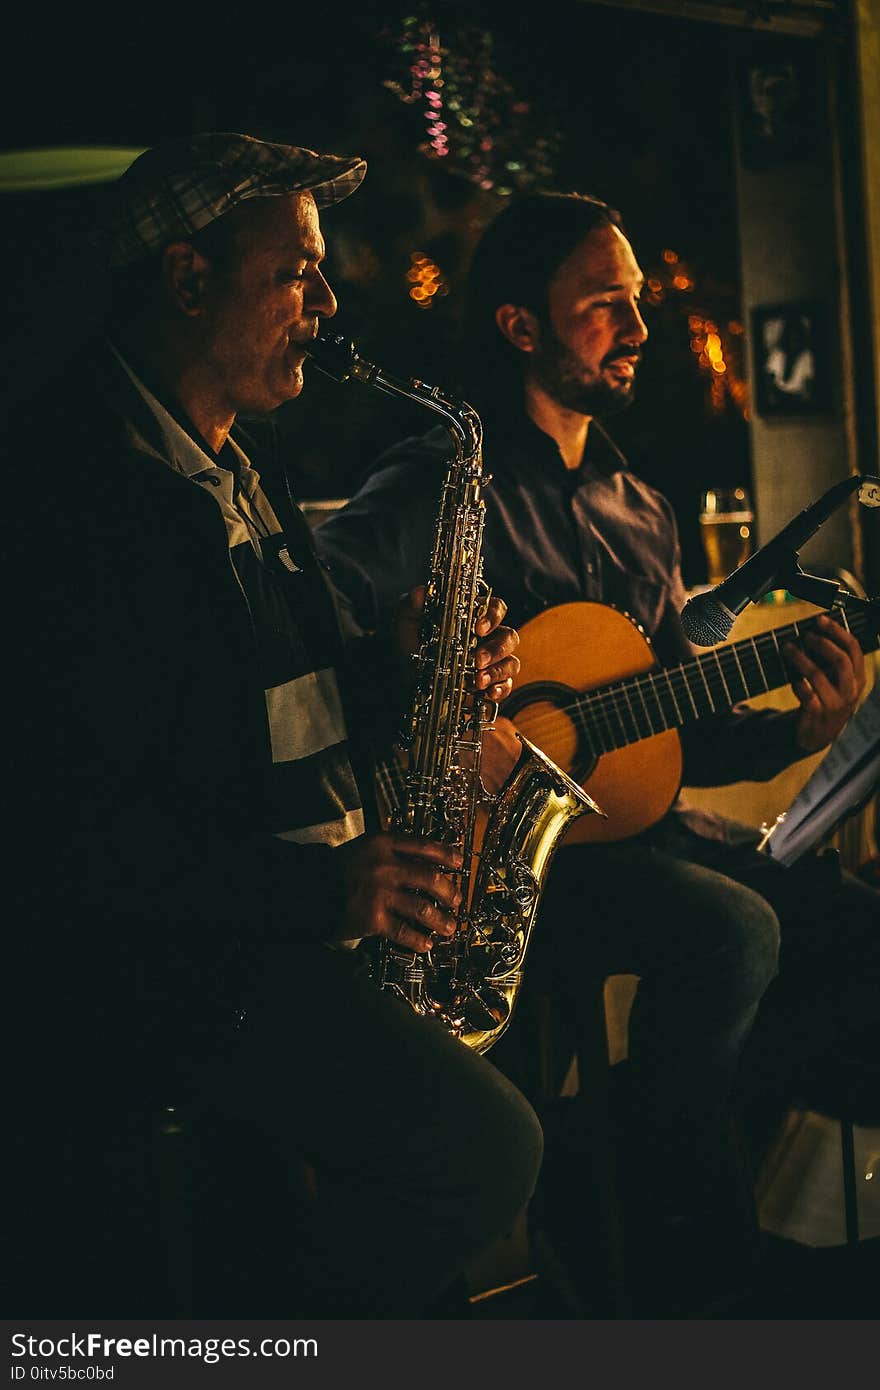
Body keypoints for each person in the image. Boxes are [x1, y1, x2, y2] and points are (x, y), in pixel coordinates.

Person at [5, 133, 545, 1319]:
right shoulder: (72, 502)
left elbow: (281, 691)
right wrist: (324, 898)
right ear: (188, 279)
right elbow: (67, 836)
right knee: (487, 1152)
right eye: (296, 272)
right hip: (185, 970)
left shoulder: (237, 469)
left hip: (286, 932)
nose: (328, 301)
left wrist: (409, 668)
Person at [313, 191, 879, 1315]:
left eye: (636, 306)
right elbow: (319, 600)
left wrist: (799, 726)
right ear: (521, 326)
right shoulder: (442, 476)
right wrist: (411, 659)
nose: (635, 329)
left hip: (629, 834)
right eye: (603, 306)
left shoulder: (640, 510)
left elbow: (667, 737)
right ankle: (685, 1241)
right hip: (496, 868)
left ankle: (629, 1158)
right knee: (731, 928)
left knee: (850, 926)